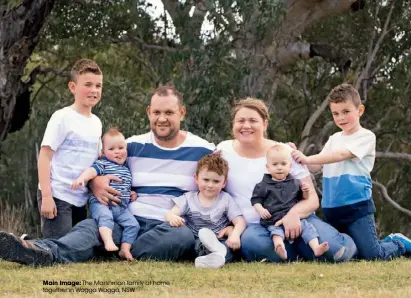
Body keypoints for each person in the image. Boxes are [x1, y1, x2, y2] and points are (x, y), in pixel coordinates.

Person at [0, 85, 215, 266]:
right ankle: (41, 251)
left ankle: (110, 249)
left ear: (182, 113)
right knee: (91, 227)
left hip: (170, 226)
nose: (162, 119)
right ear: (149, 112)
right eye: (157, 112)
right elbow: (100, 166)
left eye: (169, 113)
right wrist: (94, 181)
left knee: (182, 236)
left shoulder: (202, 150)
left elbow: (219, 183)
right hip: (127, 219)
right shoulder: (131, 146)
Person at [217, 97, 357, 263]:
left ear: (265, 124)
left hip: (299, 219)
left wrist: (294, 214)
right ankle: (303, 252)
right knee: (252, 244)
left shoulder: (284, 152)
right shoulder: (222, 150)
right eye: (240, 120)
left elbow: (312, 199)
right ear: (233, 124)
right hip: (257, 227)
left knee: (335, 250)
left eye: (253, 120)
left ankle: (345, 245)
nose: (246, 126)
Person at [291, 83, 411, 260]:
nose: (341, 118)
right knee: (348, 254)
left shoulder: (366, 136)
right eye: (335, 113)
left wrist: (307, 158)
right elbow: (317, 166)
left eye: (346, 111)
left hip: (357, 208)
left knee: (373, 255)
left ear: (360, 110)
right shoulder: (334, 139)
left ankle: (397, 242)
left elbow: (341, 155)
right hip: (332, 208)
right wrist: (294, 157)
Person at [36, 58, 103, 239]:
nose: (94, 90)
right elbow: (44, 157)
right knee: (60, 249)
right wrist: (47, 196)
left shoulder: (97, 123)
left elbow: (96, 163)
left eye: (98, 86)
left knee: (76, 248)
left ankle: (29, 242)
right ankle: (26, 247)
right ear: (73, 87)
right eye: (88, 85)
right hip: (58, 195)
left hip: (80, 200)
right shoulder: (62, 117)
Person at [165, 152, 246, 268]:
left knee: (228, 249)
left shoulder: (225, 199)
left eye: (216, 181)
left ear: (224, 183)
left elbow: (240, 221)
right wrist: (172, 217)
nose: (210, 185)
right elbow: (170, 213)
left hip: (219, 239)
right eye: (206, 180)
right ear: (196, 179)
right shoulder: (189, 198)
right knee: (193, 245)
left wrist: (235, 235)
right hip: (195, 240)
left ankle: (214, 256)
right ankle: (209, 256)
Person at [251, 144, 329, 260]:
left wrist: (305, 191)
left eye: (283, 164)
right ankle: (280, 248)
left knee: (308, 228)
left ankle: (316, 247)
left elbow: (303, 198)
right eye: (275, 164)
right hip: (274, 219)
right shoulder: (263, 185)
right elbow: (256, 200)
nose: (279, 167)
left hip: (294, 219)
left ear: (290, 166)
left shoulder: (295, 183)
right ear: (267, 167)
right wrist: (260, 209)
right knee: (276, 233)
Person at [72, 128, 139, 261]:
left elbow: (123, 186)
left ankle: (124, 249)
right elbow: (91, 171)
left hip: (121, 208)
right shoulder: (103, 164)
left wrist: (130, 193)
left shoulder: (126, 168)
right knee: (105, 217)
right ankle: (108, 241)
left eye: (121, 147)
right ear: (103, 153)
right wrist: (82, 178)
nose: (117, 152)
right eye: (112, 149)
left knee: (133, 225)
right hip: (101, 204)